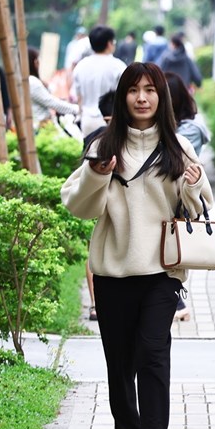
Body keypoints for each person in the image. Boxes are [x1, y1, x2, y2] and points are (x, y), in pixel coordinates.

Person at [61, 62, 213, 429]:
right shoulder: (103, 145)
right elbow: (77, 205)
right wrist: (97, 174)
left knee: (153, 352)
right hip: (112, 273)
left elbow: (200, 206)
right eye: (134, 90)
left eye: (150, 89)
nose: (142, 97)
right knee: (120, 362)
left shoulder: (177, 145)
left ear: (161, 97)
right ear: (123, 96)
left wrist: (193, 183)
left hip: (162, 272)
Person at [165, 72, 211, 323]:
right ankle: (177, 300)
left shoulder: (188, 131)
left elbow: (176, 166)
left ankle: (178, 301)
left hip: (182, 200)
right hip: (171, 201)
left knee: (176, 254)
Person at [82, 89, 116, 322]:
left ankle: (95, 305)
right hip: (112, 204)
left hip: (94, 202)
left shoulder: (92, 137)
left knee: (92, 251)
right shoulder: (126, 137)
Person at [70, 25, 127, 138]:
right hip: (109, 120)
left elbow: (79, 97)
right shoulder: (118, 66)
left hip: (87, 120)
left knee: (89, 152)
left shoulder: (81, 65)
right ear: (109, 43)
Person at [27, 47, 79, 130]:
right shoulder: (32, 82)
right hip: (41, 127)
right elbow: (52, 103)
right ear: (34, 62)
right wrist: (78, 109)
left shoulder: (25, 81)